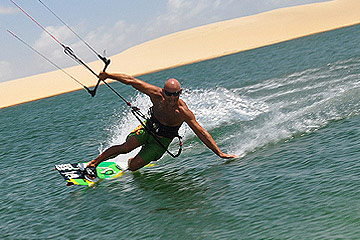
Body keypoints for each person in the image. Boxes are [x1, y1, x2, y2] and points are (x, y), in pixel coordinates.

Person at [85, 72, 238, 178]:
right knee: (126, 147)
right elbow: (132, 81)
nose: (172, 98)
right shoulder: (156, 95)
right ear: (164, 92)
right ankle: (93, 164)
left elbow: (201, 133)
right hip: (147, 128)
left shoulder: (183, 112)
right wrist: (108, 75)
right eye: (169, 94)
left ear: (180, 92)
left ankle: (131, 162)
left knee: (133, 167)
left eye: (175, 94)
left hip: (161, 142)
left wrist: (219, 153)